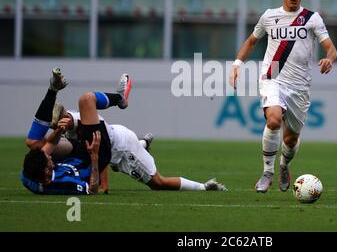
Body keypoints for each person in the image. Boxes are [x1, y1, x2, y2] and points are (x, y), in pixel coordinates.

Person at [22, 69, 227, 194]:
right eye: (49, 164)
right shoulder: (54, 182)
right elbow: (96, 186)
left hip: (100, 145)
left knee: (37, 140)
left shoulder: (36, 177)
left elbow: (46, 153)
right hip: (101, 147)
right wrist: (94, 159)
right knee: (158, 183)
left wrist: (59, 127)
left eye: (48, 161)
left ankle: (118, 100)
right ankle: (144, 145)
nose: (50, 161)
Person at [229, 0, 337, 193]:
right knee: (274, 120)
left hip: (299, 85)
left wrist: (329, 58)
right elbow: (251, 41)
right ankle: (267, 172)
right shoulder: (269, 16)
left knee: (290, 139)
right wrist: (237, 64)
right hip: (273, 76)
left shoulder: (311, 18)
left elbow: (331, 48)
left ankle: (284, 165)